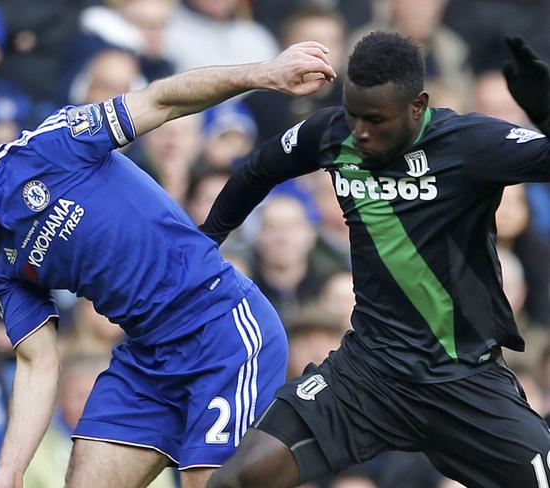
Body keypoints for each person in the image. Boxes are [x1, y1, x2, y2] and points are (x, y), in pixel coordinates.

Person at [0, 41, 334, 488]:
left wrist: (264, 72)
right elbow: (37, 363)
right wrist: (8, 474)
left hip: (220, 327)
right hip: (147, 357)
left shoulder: (50, 146)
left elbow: (162, 101)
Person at [203, 32, 550, 487]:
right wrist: (205, 245)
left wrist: (545, 113)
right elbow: (258, 169)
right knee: (237, 480)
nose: (361, 131)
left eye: (376, 119)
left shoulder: (471, 145)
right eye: (353, 114)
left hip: (464, 379)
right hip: (368, 373)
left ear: (417, 105)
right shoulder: (332, 134)